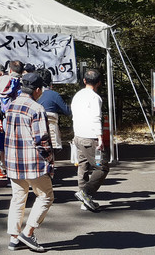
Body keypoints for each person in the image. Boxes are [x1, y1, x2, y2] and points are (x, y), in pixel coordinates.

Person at [5, 73, 54, 253]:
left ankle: (14, 237)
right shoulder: (36, 108)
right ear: (38, 90)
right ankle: (28, 231)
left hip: (13, 161)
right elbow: (42, 139)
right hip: (33, 162)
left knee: (18, 198)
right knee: (46, 196)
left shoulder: (11, 105)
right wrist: (49, 159)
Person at [71, 69, 109, 212]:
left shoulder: (77, 96)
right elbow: (96, 118)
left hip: (78, 136)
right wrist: (100, 138)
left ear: (84, 81)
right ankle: (86, 193)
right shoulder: (95, 98)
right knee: (102, 167)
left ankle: (85, 201)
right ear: (99, 83)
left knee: (83, 167)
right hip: (90, 137)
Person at [36, 68, 71, 151]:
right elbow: (67, 111)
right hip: (51, 133)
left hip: (35, 132)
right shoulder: (54, 95)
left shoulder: (33, 95)